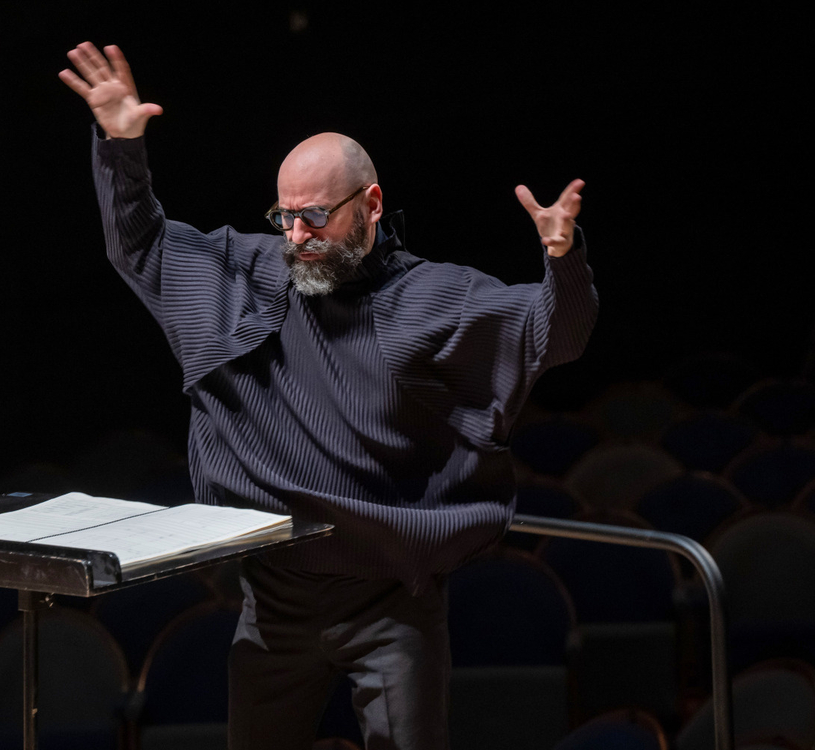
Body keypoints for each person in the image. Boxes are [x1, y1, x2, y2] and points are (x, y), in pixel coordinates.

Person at [60, 42, 598, 750]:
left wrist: (564, 261)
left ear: (370, 204)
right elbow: (142, 249)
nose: (296, 236)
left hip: (388, 602)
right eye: (283, 217)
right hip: (274, 601)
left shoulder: (429, 298)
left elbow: (551, 336)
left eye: (314, 216)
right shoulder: (251, 272)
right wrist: (121, 145)